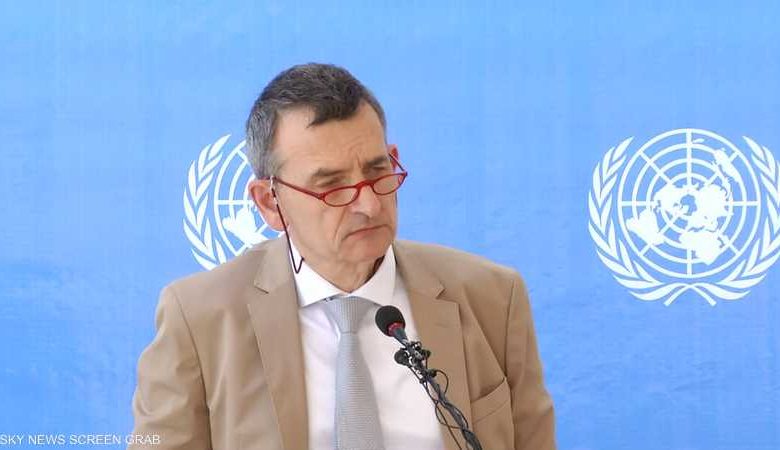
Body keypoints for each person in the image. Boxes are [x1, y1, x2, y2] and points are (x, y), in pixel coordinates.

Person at [129, 63, 556, 450]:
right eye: (331, 185)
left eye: (377, 171)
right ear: (270, 203)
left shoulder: (492, 298)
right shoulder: (200, 320)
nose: (368, 205)